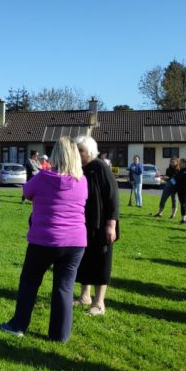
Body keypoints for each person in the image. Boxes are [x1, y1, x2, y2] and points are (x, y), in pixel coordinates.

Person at [0, 137, 87, 343]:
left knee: (29, 282)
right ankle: (59, 335)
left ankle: (18, 324)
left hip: (44, 239)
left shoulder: (43, 177)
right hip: (75, 242)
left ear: (56, 155)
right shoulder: (81, 181)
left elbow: (26, 192)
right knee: (64, 288)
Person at [74, 135, 120, 316]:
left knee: (102, 261)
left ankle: (99, 302)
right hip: (83, 223)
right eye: (76, 150)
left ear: (90, 152)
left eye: (81, 151)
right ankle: (84, 296)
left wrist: (111, 225)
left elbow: (113, 198)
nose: (78, 154)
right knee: (84, 259)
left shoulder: (100, 167)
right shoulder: (79, 169)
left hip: (102, 224)